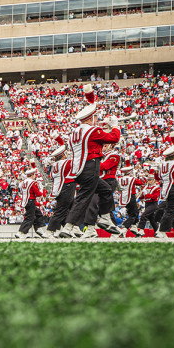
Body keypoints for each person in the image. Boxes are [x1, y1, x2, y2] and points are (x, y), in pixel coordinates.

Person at [60, 84, 122, 236]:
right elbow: (114, 138)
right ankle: (69, 227)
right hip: (90, 166)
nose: (97, 120)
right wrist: (115, 126)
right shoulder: (93, 131)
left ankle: (106, 218)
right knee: (84, 198)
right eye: (96, 117)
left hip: (79, 168)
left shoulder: (75, 131)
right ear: (92, 117)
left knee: (106, 190)